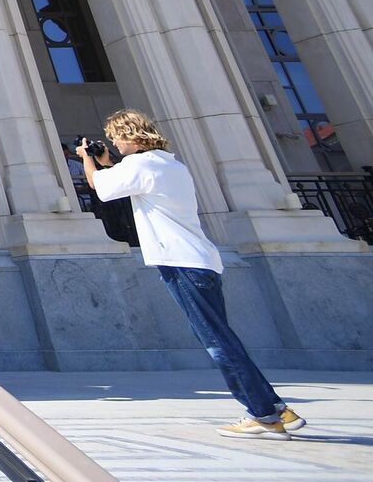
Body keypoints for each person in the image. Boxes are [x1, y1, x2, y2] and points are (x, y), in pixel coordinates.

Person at [77, 108, 305, 441]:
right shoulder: (169, 164)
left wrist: (86, 158)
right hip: (200, 261)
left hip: (182, 263)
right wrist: (110, 162)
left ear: (129, 136)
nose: (113, 143)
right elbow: (128, 179)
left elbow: (101, 187)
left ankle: (265, 413)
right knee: (221, 338)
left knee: (217, 343)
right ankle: (273, 407)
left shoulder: (140, 165)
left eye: (115, 137)